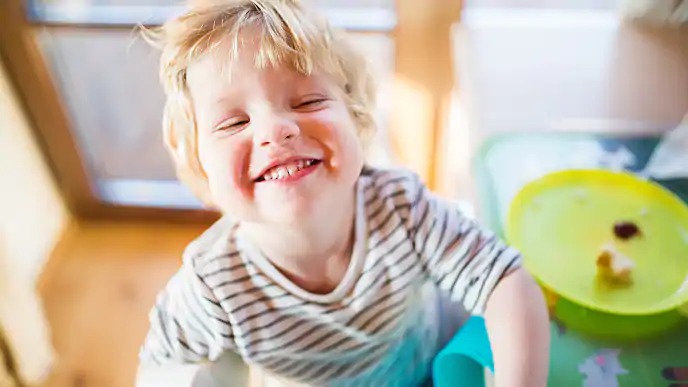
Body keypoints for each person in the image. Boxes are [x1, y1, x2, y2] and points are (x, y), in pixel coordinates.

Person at [138, 1, 550, 385]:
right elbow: (160, 370)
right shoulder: (212, 287)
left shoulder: (402, 209)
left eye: (307, 100)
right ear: (200, 166)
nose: (275, 130)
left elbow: (505, 280)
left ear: (355, 117)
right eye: (232, 123)